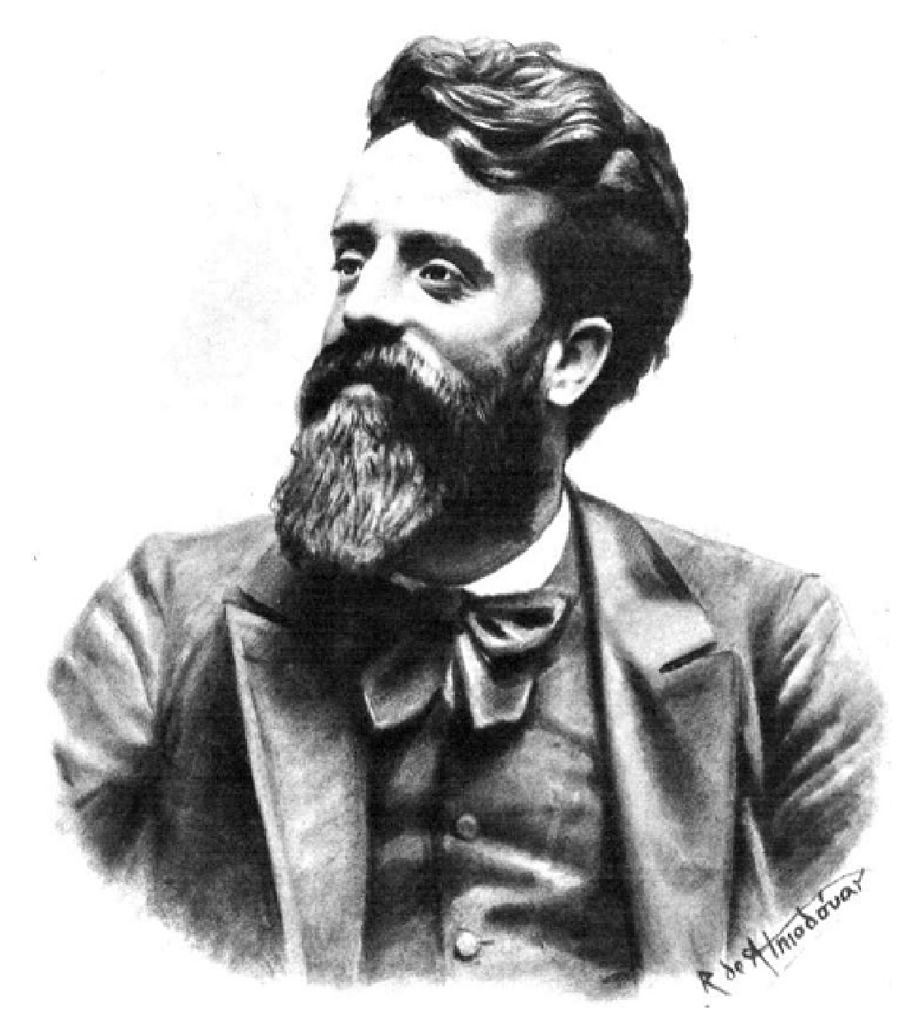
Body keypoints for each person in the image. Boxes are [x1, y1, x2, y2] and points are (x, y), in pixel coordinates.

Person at [50, 36, 882, 994]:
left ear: (570, 359)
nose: (361, 308)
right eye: (352, 259)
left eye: (438, 273)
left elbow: (838, 962)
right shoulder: (159, 621)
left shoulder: (775, 649)